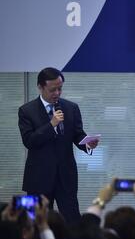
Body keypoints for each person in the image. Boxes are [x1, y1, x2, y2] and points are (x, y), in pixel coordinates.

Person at [18, 67, 99, 224]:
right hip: (38, 178)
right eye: (52, 89)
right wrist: (51, 124)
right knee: (37, 224)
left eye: (60, 89)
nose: (57, 93)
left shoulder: (71, 108)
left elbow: (77, 134)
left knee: (73, 222)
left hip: (65, 177)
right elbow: (29, 141)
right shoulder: (27, 111)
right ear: (40, 87)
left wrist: (87, 144)